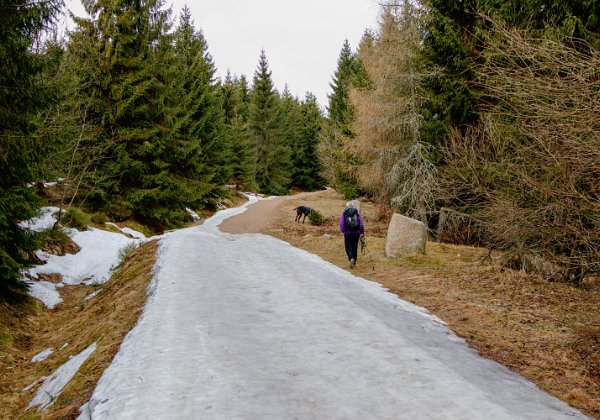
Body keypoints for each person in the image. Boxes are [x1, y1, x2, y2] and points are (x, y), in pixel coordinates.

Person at [339, 202, 364, 268]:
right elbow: (361, 223)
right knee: (354, 247)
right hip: (356, 233)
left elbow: (342, 223)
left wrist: (344, 231)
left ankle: (351, 258)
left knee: (348, 247)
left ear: (346, 206)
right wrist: (362, 232)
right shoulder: (357, 213)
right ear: (352, 206)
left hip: (348, 233)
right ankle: (354, 261)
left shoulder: (344, 213)